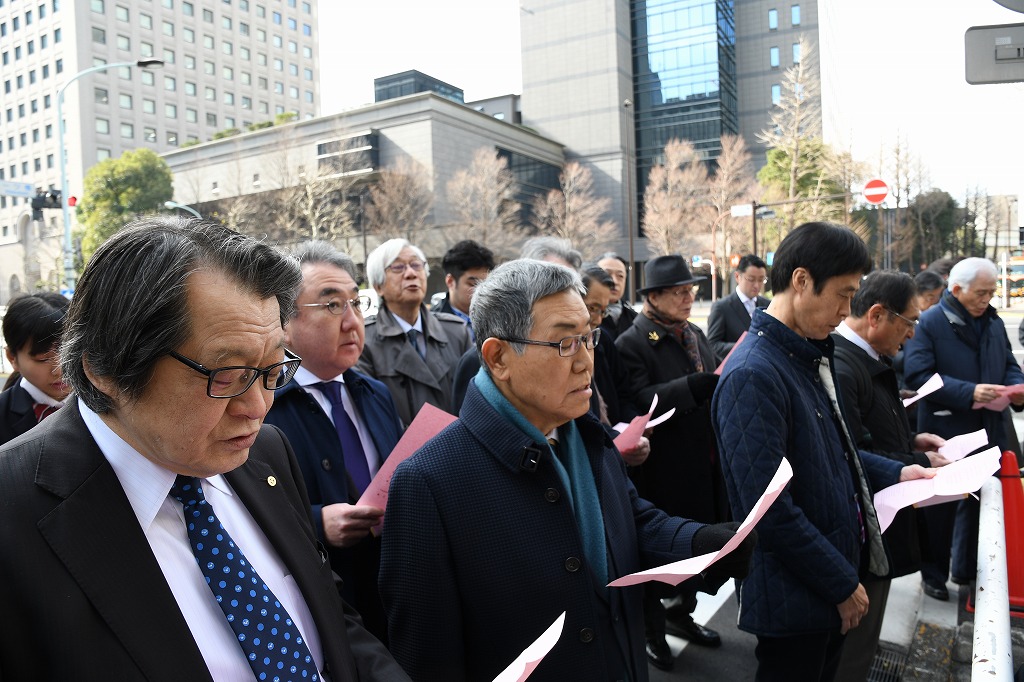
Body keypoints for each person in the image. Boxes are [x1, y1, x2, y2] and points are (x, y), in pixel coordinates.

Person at [0, 217, 409, 680]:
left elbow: (330, 621)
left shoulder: (266, 453)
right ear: (106, 369)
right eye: (227, 376)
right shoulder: (14, 516)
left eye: (274, 369)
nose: (258, 407)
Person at [379, 259, 755, 682]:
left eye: (588, 337)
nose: (585, 363)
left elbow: (629, 522)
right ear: (498, 357)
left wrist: (700, 544)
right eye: (564, 344)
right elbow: (428, 657)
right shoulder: (429, 483)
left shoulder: (587, 435)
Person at [712, 222, 935, 682]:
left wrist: (896, 473)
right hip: (798, 593)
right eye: (843, 294)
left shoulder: (804, 354)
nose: (847, 310)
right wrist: (840, 582)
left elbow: (832, 454)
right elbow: (769, 511)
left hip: (823, 580)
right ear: (801, 280)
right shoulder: (754, 373)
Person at [264, 241, 404, 644]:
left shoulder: (374, 392)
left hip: (393, 586)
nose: (352, 321)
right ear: (285, 322)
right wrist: (317, 523)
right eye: (331, 305)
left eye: (356, 303)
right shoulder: (263, 406)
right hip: (322, 603)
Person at [830, 270, 949, 682]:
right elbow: (848, 451)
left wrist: (911, 441)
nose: (913, 334)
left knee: (861, 641)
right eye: (909, 321)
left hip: (877, 520)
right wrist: (908, 463)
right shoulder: (843, 365)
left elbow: (869, 430)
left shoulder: (866, 358)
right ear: (877, 315)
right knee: (851, 649)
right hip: (862, 529)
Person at [615, 255, 728, 670]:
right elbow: (636, 401)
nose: (688, 298)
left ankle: (682, 613)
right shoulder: (632, 341)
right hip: (663, 467)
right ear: (654, 297)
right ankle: (654, 632)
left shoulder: (693, 331)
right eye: (679, 292)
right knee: (659, 555)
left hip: (703, 459)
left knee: (696, 550)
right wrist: (688, 387)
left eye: (690, 290)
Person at [904, 257, 1024, 600]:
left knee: (981, 503)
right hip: (946, 430)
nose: (986, 299)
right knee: (939, 508)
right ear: (956, 289)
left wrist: (1016, 388)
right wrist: (969, 392)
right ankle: (933, 575)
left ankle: (966, 571)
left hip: (989, 428)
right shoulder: (930, 322)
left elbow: (1009, 364)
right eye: (980, 293)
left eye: (990, 292)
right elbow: (918, 375)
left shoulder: (993, 322)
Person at [357, 238, 472, 426]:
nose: (411, 274)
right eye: (398, 267)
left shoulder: (457, 331)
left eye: (416, 265)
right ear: (378, 286)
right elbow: (374, 414)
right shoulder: (364, 341)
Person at [0, 292, 71, 443]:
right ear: (12, 358)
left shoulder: (111, 402)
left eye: (69, 354)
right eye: (42, 359)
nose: (59, 370)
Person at [706, 254, 770, 361]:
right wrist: (744, 345)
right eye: (751, 279)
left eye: (761, 280)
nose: (757, 285)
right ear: (737, 276)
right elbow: (712, 345)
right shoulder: (721, 307)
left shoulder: (768, 305)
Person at [434, 239, 495, 340]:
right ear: (450, 281)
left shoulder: (498, 319)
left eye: (485, 284)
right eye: (473, 284)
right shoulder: (433, 323)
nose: (481, 290)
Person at [599, 252, 638, 340]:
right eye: (607, 274)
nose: (614, 281)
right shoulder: (584, 316)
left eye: (620, 276)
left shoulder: (635, 319)